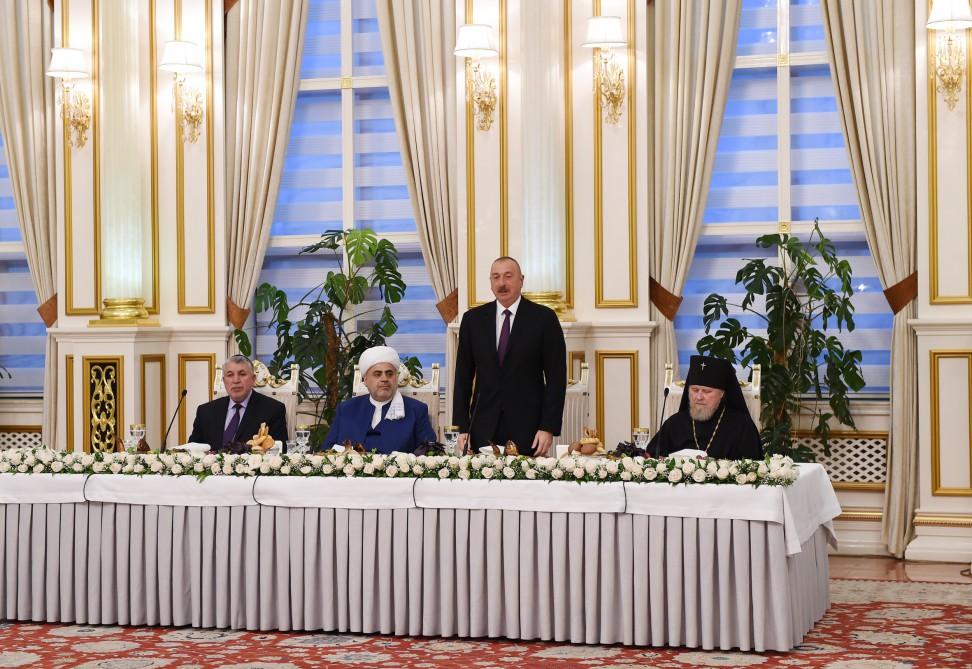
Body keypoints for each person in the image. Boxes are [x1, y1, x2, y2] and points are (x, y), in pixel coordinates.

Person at [452, 256, 567, 457]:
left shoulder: (544, 319)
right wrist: (461, 428)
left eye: (508, 276)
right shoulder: (473, 320)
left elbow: (556, 379)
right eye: (496, 277)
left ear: (521, 280)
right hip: (482, 427)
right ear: (490, 282)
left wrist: (548, 427)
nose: (502, 283)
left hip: (529, 428)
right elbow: (463, 378)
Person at [322, 345, 436, 453]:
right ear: (365, 380)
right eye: (377, 374)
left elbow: (430, 453)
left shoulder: (416, 410)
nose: (384, 379)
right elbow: (327, 450)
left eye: (389, 374)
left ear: (396, 378)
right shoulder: (346, 409)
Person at [647, 355, 763, 460]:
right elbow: (651, 458)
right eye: (694, 390)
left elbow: (753, 466)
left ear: (721, 394)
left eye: (706, 391)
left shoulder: (742, 426)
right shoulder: (674, 424)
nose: (699, 397)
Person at [188, 355, 288, 451]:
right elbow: (192, 450)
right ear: (224, 381)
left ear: (253, 379)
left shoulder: (273, 410)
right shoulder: (205, 411)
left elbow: (279, 451)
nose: (236, 380)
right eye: (230, 375)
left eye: (242, 374)